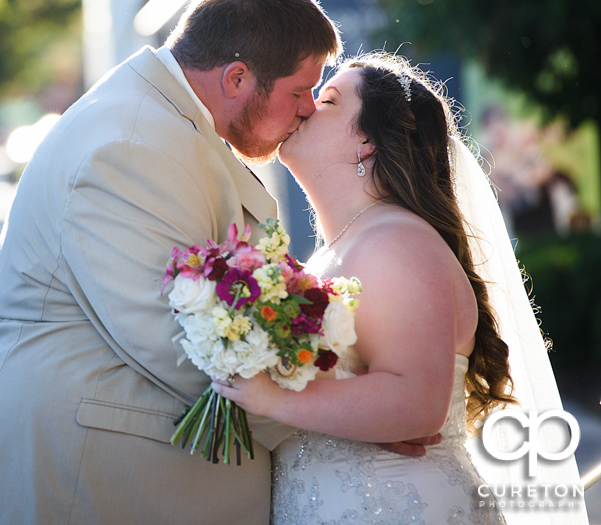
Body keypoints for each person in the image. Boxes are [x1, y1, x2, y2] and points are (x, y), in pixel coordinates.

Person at [0, 0, 347, 524]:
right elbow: (184, 346)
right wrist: (349, 424)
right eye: (300, 91)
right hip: (75, 483)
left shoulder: (159, 124)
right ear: (237, 78)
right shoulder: (130, 145)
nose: (308, 109)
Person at [213, 51, 588, 524]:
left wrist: (273, 399)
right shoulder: (346, 248)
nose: (304, 106)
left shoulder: (398, 241)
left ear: (366, 142)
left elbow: (417, 404)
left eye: (326, 100)